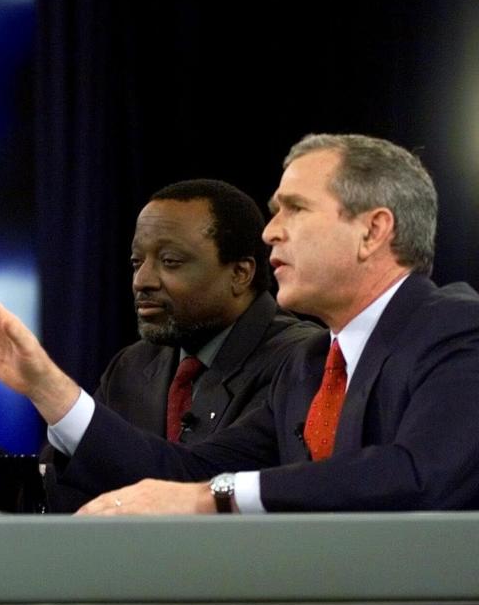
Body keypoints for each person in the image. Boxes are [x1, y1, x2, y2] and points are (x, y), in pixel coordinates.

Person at [0, 133, 479, 514]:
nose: (270, 233)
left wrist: (212, 499)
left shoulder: (455, 329)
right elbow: (186, 475)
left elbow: (418, 474)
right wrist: (44, 383)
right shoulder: (311, 367)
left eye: (295, 209)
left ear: (373, 231)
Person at [41, 179, 318, 510]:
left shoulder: (302, 359)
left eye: (170, 261)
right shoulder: (132, 366)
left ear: (240, 273)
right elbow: (61, 494)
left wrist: (44, 385)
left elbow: (196, 481)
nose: (142, 281)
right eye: (136, 262)